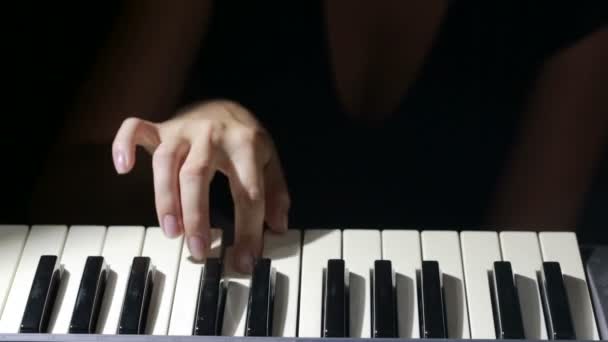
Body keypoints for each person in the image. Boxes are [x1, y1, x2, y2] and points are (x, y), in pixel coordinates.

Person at [31, 1, 608, 274]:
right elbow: (62, 199)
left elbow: (527, 270)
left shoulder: (569, 13)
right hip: (226, 314)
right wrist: (184, 135)